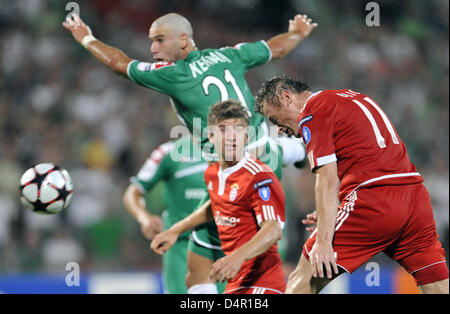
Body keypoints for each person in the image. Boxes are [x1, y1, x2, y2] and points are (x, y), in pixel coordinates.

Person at [63, 12, 315, 293]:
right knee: (198, 271)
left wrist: (85, 37)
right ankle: (294, 149)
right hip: (260, 154)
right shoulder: (229, 55)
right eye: (152, 41)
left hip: (241, 172)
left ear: (183, 40)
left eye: (159, 40)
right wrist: (299, 33)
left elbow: (119, 64)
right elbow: (276, 48)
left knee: (230, 263)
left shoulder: (175, 74)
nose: (153, 49)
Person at [254, 76, 449, 294]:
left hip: (373, 201)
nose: (278, 129)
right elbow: (365, 156)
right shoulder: (353, 97)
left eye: (274, 119)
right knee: (438, 286)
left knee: (303, 279)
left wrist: (324, 240)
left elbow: (327, 177)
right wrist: (333, 211)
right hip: (415, 200)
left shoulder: (313, 110)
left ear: (287, 97)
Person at [151, 100, 286, 294]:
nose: (231, 137)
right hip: (233, 274)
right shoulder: (213, 173)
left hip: (259, 280)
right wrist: (175, 230)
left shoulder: (259, 177)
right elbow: (215, 206)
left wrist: (236, 258)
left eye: (238, 129)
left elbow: (273, 230)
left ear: (247, 137)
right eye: (223, 130)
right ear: (211, 137)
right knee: (193, 280)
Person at [123, 136, 224, 294]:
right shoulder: (169, 152)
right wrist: (145, 218)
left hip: (222, 247)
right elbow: (133, 192)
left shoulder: (235, 149)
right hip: (180, 247)